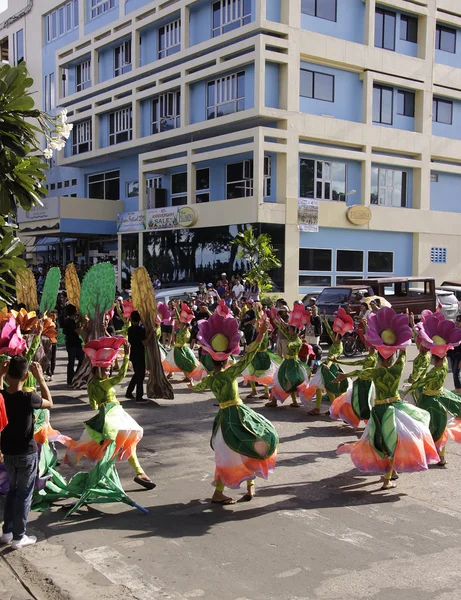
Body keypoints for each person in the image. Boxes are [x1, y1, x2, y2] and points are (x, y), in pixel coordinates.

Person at [335, 307, 439, 490]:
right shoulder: (397, 369)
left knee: (382, 441)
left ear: (380, 355)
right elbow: (405, 350)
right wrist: (408, 324)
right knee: (398, 439)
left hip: (379, 410)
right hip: (395, 408)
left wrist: (343, 376)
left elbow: (359, 372)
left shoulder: (375, 371)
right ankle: (386, 478)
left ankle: (390, 473)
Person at [192, 316, 278, 504]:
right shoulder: (229, 373)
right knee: (251, 444)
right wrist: (261, 335)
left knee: (228, 455)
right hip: (238, 416)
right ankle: (243, 487)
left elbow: (195, 387)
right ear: (226, 359)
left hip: (224, 419)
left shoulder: (210, 379)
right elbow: (248, 357)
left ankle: (240, 488)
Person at [65, 339, 155, 490]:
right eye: (105, 370)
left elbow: (93, 405)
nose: (107, 372)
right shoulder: (103, 383)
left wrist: (101, 404)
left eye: (108, 369)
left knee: (121, 445)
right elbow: (121, 376)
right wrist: (127, 356)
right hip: (114, 416)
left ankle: (138, 473)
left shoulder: (91, 385)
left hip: (104, 418)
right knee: (121, 444)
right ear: (97, 370)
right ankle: (111, 476)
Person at [0, 357, 53, 549]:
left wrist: (0, 373)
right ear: (27, 375)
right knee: (24, 494)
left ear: (7, 374)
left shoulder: (2, 396)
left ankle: (7, 532)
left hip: (8, 453)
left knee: (13, 491)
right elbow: (50, 403)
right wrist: (41, 379)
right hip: (26, 452)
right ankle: (18, 537)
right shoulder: (29, 397)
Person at [125, 311, 149, 403]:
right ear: (139, 319)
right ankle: (139, 396)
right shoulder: (140, 330)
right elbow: (145, 342)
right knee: (140, 375)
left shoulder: (130, 329)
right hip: (139, 354)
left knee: (137, 374)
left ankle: (129, 392)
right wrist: (151, 334)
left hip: (133, 354)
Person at [62, 304, 85, 386]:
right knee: (72, 362)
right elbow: (77, 331)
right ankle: (70, 380)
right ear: (74, 312)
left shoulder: (70, 321)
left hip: (74, 343)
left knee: (81, 359)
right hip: (72, 344)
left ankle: (74, 376)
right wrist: (84, 323)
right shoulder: (69, 321)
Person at [447, 315, 461, 394]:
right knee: (454, 374)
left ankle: (459, 393)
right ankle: (457, 391)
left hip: (459, 356)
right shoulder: (455, 331)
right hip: (453, 355)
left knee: (456, 374)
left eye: (459, 321)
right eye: (457, 321)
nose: (457, 323)